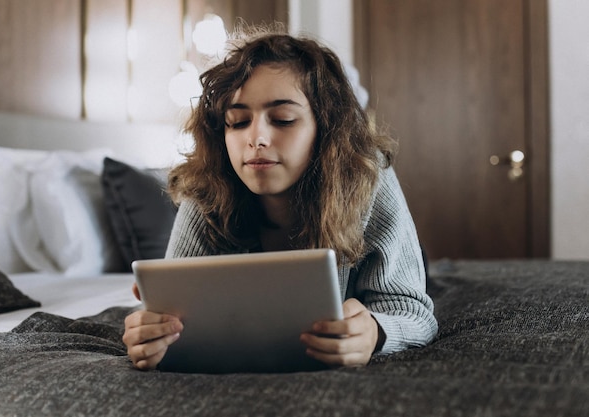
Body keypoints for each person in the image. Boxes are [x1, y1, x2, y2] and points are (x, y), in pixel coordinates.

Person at [123, 26, 438, 371]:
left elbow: (411, 311)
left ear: (325, 128)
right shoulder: (207, 186)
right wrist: (152, 335)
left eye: (283, 119)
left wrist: (376, 332)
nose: (256, 138)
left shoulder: (366, 174)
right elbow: (172, 317)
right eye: (237, 121)